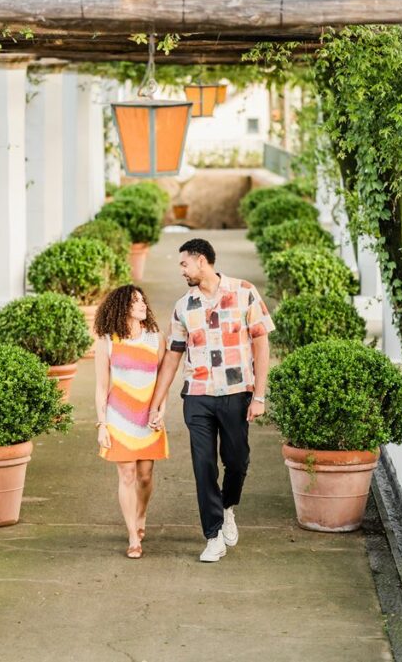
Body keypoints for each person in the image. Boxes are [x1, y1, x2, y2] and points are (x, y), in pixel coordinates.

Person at [148, 238, 274, 563]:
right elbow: (173, 357)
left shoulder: (245, 292)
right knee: (203, 466)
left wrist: (259, 395)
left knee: (237, 461)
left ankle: (228, 506)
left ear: (201, 261)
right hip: (198, 396)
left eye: (184, 264)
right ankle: (213, 534)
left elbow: (261, 346)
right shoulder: (182, 306)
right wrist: (156, 402)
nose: (182, 271)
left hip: (236, 393)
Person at [94, 284, 169, 559]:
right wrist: (101, 424)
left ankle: (142, 514)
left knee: (145, 476)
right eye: (135, 301)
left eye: (142, 300)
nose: (142, 305)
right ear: (122, 306)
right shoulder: (107, 340)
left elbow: (163, 381)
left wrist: (161, 410)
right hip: (119, 418)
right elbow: (102, 388)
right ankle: (132, 536)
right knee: (126, 474)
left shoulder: (155, 338)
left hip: (147, 418)